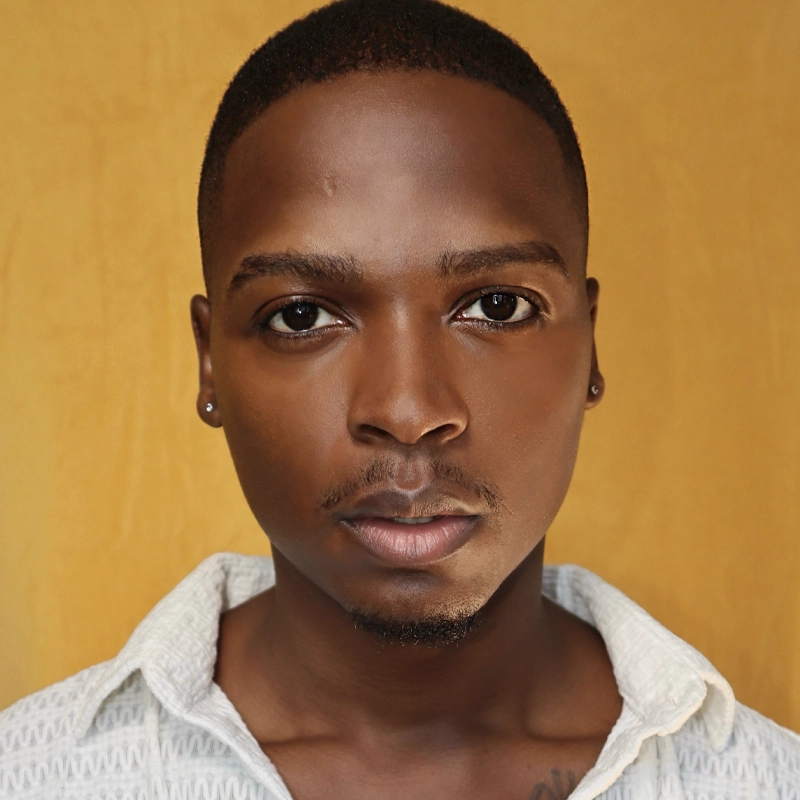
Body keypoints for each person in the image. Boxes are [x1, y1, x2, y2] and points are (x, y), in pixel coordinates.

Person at [1, 0, 798, 797]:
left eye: (496, 307)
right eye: (303, 316)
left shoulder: (763, 780)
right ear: (210, 364)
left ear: (590, 344)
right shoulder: (34, 775)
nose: (410, 409)